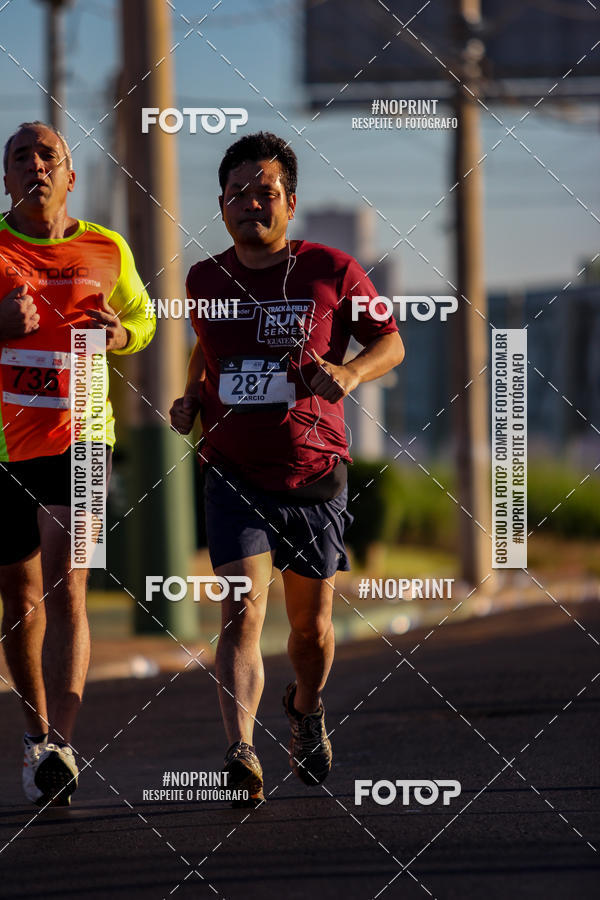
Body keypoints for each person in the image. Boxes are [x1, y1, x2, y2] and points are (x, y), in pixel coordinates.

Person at [170, 131, 404, 807]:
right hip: (233, 471)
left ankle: (304, 706)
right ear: (221, 206)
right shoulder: (204, 279)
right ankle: (241, 750)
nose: (251, 203)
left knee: (311, 631)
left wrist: (350, 371)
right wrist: (192, 397)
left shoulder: (331, 268)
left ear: (289, 202)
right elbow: (206, 351)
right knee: (242, 612)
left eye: (265, 192)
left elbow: (391, 342)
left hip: (314, 475)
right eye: (238, 193)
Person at [0, 121, 156, 806]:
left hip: (85, 436)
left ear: (69, 176)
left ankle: (61, 745)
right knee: (20, 601)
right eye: (19, 157)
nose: (34, 165)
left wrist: (121, 333)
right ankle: (36, 737)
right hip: (4, 446)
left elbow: (144, 320)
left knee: (69, 587)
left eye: (48, 156)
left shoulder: (107, 247)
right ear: (5, 178)